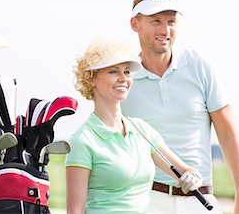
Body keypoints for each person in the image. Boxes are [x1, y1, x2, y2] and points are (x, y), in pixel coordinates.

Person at [121, 0, 239, 214]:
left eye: (171, 22)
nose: (165, 30)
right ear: (135, 24)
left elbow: (227, 132)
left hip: (199, 198)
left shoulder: (199, 66)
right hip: (144, 200)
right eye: (156, 21)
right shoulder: (123, 76)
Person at [65, 38, 203, 214]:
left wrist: (193, 177)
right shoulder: (82, 140)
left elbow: (183, 170)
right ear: (91, 78)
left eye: (127, 72)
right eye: (114, 71)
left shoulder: (142, 130)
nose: (123, 78)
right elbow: (74, 211)